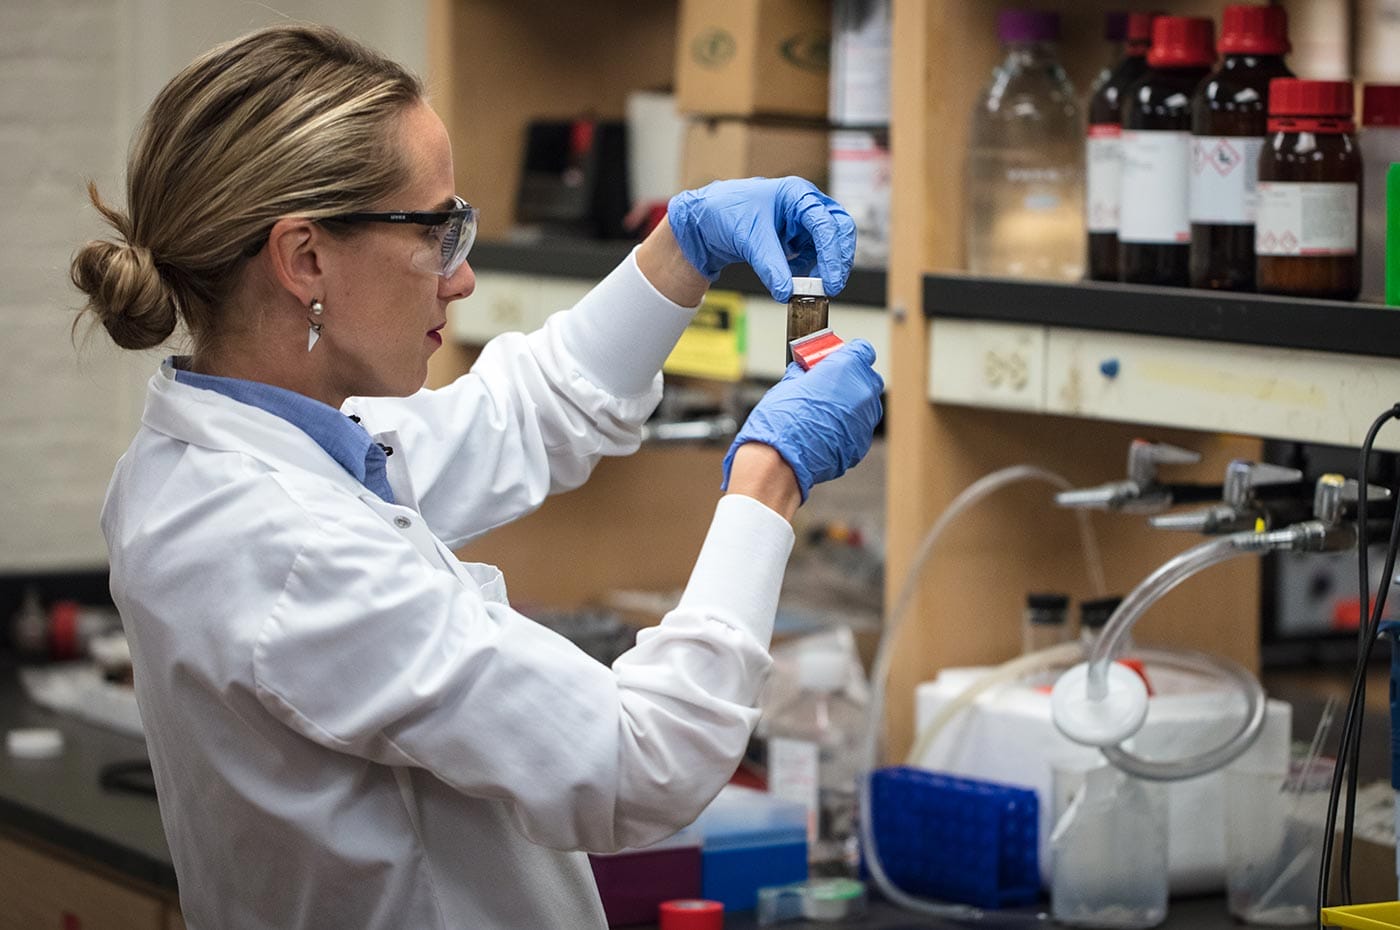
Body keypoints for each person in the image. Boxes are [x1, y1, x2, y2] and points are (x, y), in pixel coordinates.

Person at [70, 23, 884, 930]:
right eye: (436, 231)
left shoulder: (230, 453)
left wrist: (679, 248)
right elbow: (641, 764)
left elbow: (524, 412)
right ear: (304, 260)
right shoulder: (287, 545)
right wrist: (770, 478)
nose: (460, 278)